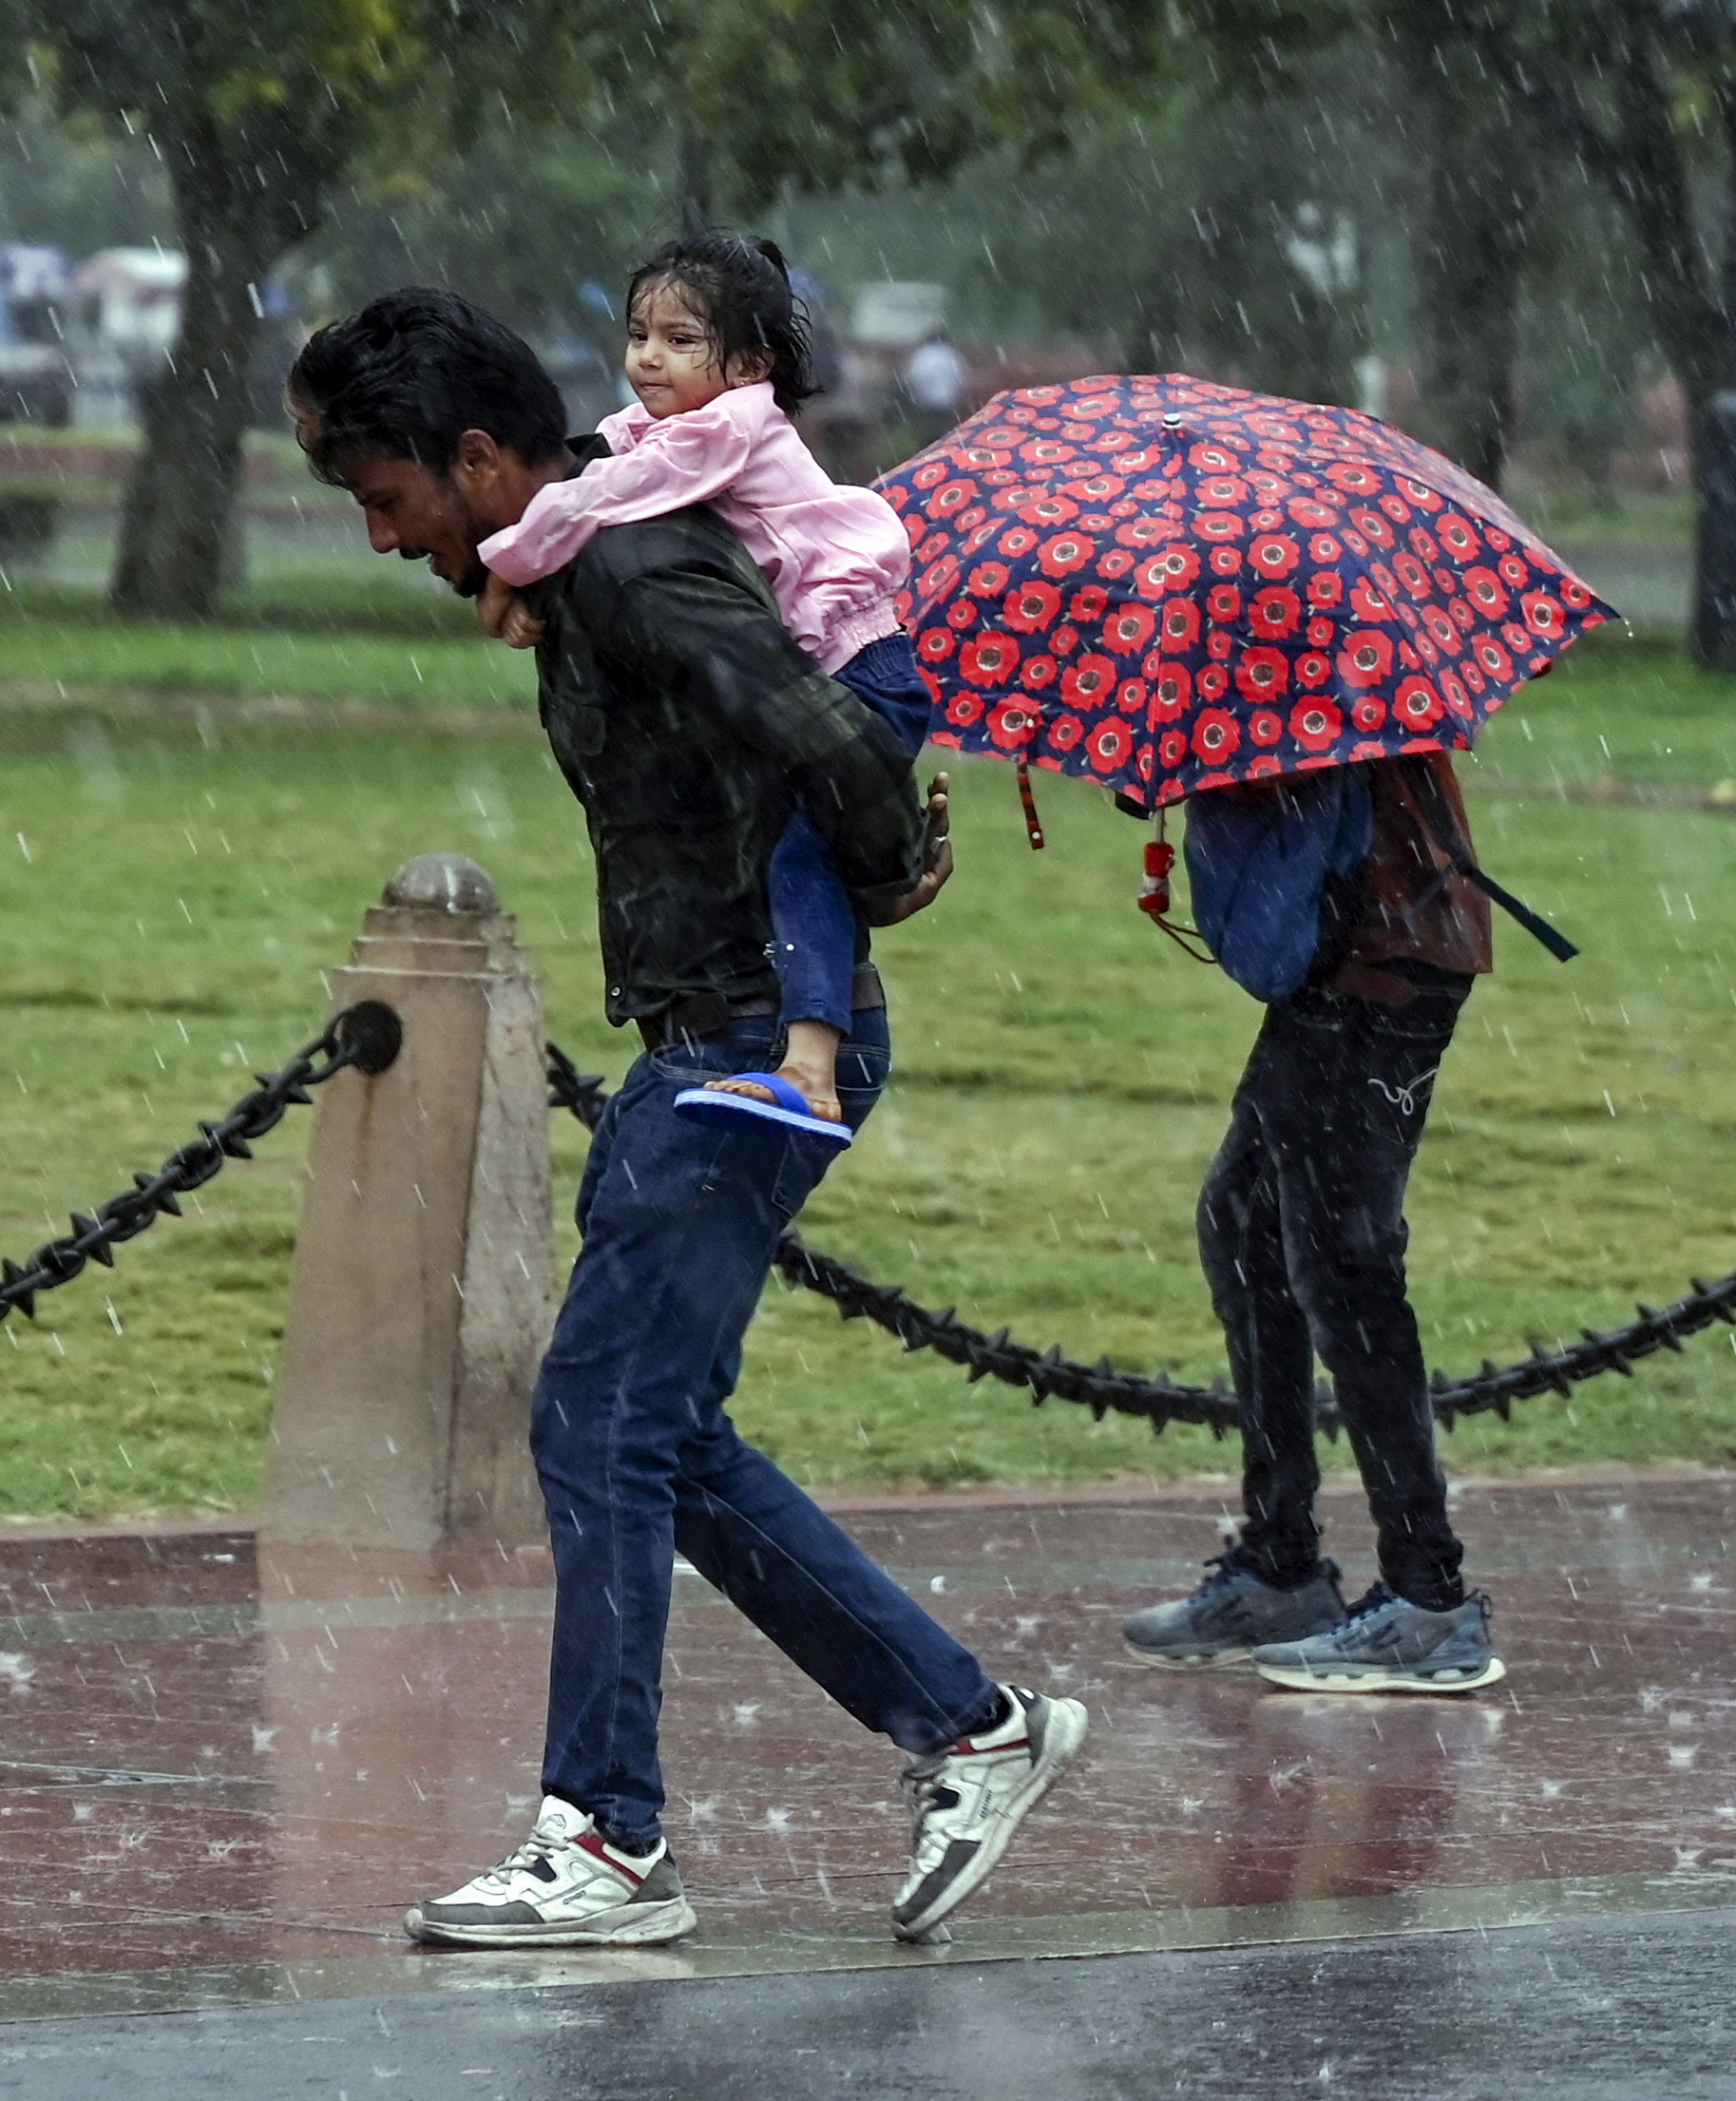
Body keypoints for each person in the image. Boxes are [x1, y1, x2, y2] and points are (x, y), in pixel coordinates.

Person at [285, 287, 1084, 1949]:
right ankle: (968, 1723)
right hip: (714, 1029)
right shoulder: (586, 555)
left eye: (387, 498)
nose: (378, 540)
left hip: (746, 1046)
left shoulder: (633, 564)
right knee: (661, 1431)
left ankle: (608, 1836)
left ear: (483, 456)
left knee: (597, 1411)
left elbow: (827, 733)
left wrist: (879, 871)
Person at [473, 234, 922, 1138]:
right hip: (828, 654)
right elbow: (597, 453)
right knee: (791, 842)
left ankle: (811, 1068)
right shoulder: (676, 426)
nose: (647, 357)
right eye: (639, 332)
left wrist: (509, 559)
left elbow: (604, 493)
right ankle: (803, 1048)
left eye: (681, 340)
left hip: (864, 663)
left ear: (751, 365)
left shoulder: (732, 425)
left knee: (802, 853)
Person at [1118, 753, 1508, 1694]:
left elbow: (1288, 767)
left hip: (1383, 958)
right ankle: (1280, 1565)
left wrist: (1172, 764)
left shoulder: (1305, 642)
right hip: (1355, 950)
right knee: (1246, 1227)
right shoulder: (1280, 645)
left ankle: (1428, 1596)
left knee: (1343, 1259)